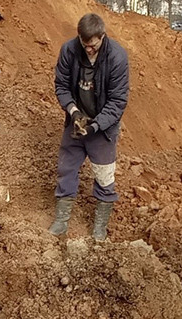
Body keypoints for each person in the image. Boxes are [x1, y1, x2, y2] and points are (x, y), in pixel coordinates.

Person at [50, 12, 129, 241]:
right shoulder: (69, 50)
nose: (89, 49)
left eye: (92, 45)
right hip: (77, 121)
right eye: (85, 45)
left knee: (104, 176)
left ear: (102, 37)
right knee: (66, 169)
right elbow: (61, 86)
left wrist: (95, 127)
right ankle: (61, 221)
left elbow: (117, 102)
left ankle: (99, 228)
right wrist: (73, 112)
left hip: (103, 127)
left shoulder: (117, 57)